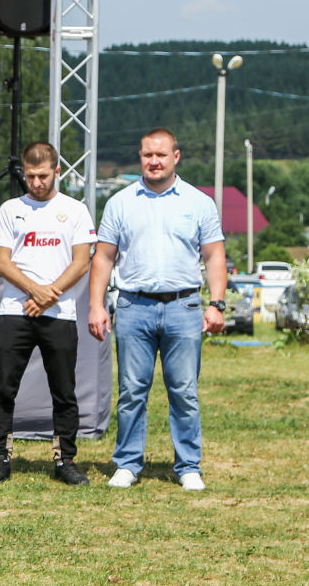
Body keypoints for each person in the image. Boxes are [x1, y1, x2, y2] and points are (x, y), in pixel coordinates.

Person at [86, 128, 226, 491]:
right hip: (133, 307)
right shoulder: (121, 202)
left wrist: (216, 303)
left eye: (161, 155)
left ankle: (189, 466)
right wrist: (96, 306)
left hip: (184, 307)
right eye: (148, 155)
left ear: (175, 157)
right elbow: (103, 257)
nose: (154, 161)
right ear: (140, 156)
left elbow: (214, 256)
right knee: (132, 390)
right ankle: (128, 463)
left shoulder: (199, 203)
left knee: (184, 390)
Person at [0, 141, 95, 486]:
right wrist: (36, 290)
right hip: (15, 311)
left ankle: (65, 460)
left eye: (43, 176)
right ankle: (0, 457)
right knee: (3, 387)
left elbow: (82, 261)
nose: (37, 183)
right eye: (31, 176)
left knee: (64, 390)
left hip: (59, 313)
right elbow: (2, 261)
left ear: (57, 171)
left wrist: (50, 295)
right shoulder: (10, 208)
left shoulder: (75, 209)